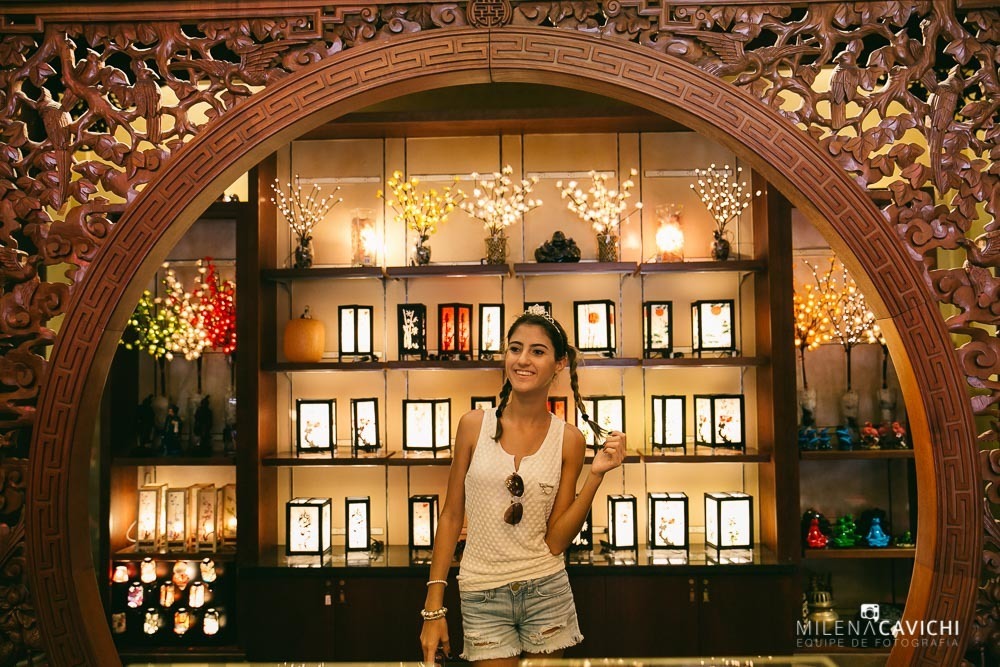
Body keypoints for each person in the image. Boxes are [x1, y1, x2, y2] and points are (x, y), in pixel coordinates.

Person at [419, 306, 627, 665]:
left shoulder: (570, 440)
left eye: (537, 351)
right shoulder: (473, 426)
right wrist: (433, 608)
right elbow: (451, 516)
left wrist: (595, 476)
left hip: (547, 590)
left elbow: (556, 541)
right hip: (482, 592)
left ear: (559, 364)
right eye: (515, 349)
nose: (523, 360)